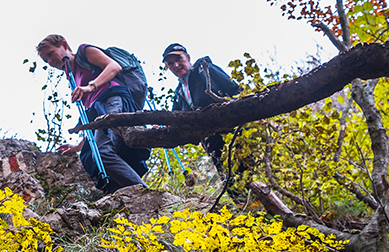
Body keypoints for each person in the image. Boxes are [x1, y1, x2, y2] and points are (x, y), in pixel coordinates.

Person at [36, 35, 148, 192]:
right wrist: (79, 146)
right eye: (45, 60)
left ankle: (145, 193)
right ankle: (128, 196)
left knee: (103, 153)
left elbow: (114, 66)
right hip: (99, 113)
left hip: (112, 100)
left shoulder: (84, 52)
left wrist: (90, 86)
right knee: (97, 157)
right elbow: (94, 121)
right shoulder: (71, 76)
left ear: (64, 44)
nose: (50, 61)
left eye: (50, 53)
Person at [163, 43, 242, 172]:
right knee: (229, 181)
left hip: (232, 132)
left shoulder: (204, 70)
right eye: (170, 63)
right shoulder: (179, 93)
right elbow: (174, 120)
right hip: (211, 142)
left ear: (188, 57)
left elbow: (235, 89)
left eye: (179, 59)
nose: (176, 65)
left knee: (246, 174)